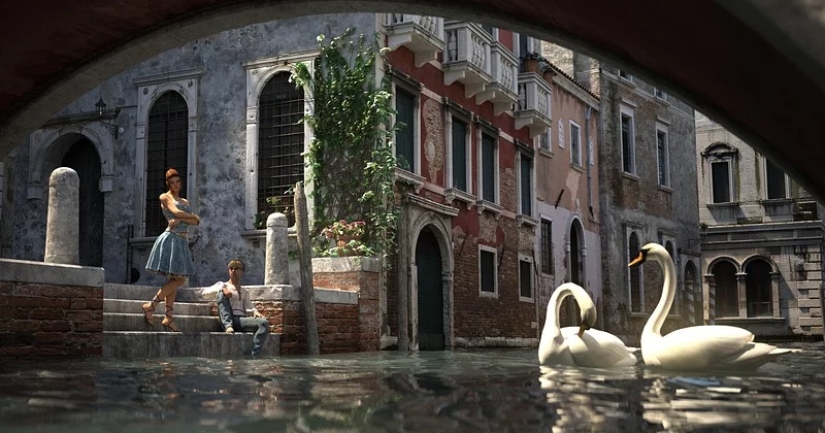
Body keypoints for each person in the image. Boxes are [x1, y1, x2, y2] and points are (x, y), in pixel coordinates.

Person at [141, 168, 201, 332]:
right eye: (172, 182)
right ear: (168, 184)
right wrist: (192, 216)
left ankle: (168, 317)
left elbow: (195, 223)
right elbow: (175, 212)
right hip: (171, 238)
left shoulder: (185, 201)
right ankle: (151, 305)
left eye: (177, 182)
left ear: (180, 183)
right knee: (179, 280)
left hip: (181, 241)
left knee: (175, 280)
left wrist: (185, 218)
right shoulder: (164, 197)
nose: (175, 185)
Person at [216, 259, 270, 358]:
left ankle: (255, 355)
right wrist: (223, 289)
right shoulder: (223, 285)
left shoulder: (244, 291)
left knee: (264, 323)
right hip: (228, 318)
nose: (233, 271)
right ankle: (228, 325)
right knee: (220, 294)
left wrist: (255, 312)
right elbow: (216, 288)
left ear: (242, 272)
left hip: (240, 320)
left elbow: (249, 305)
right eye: (231, 268)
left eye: (236, 268)